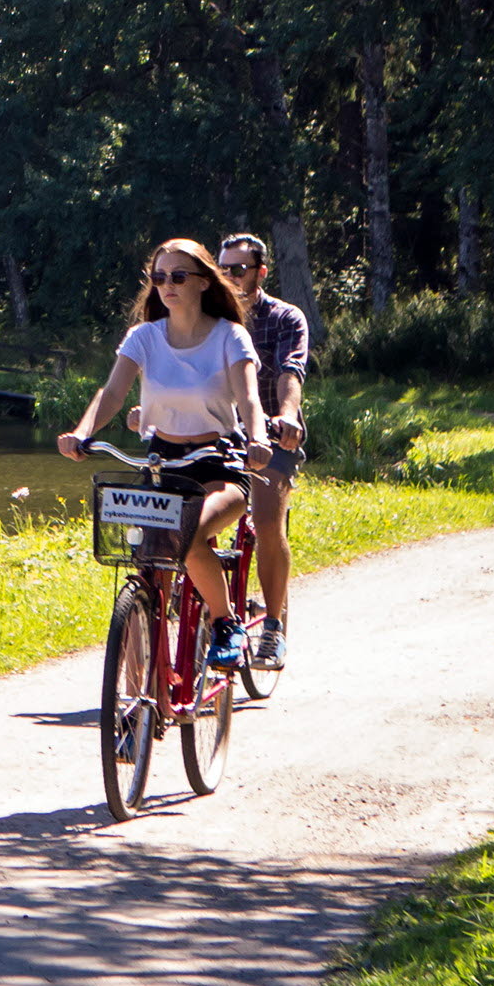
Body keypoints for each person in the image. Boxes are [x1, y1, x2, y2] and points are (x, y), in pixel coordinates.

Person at [60, 237, 261, 665]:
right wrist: (82, 432)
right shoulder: (144, 337)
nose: (166, 284)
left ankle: (226, 623)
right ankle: (144, 690)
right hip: (162, 461)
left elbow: (248, 400)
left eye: (178, 276)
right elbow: (112, 393)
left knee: (186, 537)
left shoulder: (230, 336)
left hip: (217, 460)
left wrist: (257, 438)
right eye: (159, 277)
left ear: (205, 282)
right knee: (147, 562)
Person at [218, 233, 313, 668]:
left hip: (273, 434)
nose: (230, 277)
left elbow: (290, 371)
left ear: (261, 272)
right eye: (223, 269)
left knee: (268, 516)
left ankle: (272, 627)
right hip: (217, 433)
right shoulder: (209, 318)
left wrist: (288, 415)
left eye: (239, 269)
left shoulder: (285, 318)